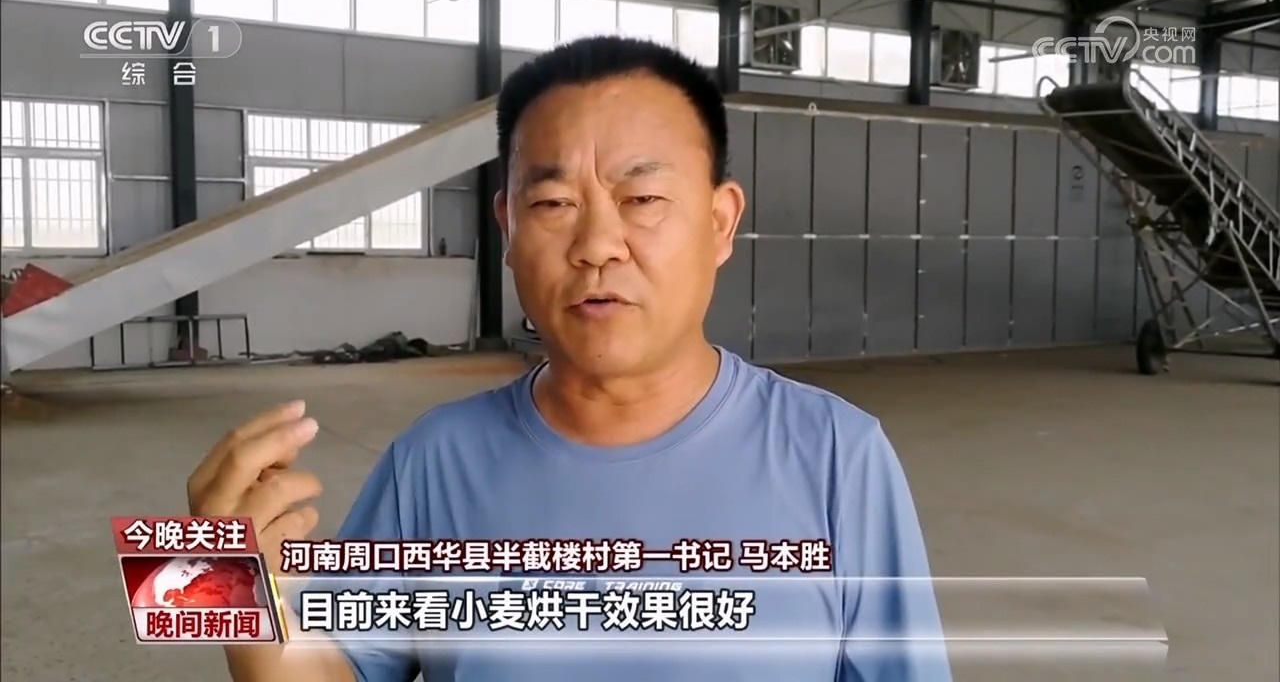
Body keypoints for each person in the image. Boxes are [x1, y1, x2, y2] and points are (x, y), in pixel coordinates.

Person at [187, 35, 951, 682]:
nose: (596, 246)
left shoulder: (838, 457)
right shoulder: (434, 461)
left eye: (642, 200)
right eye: (553, 204)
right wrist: (224, 588)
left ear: (720, 223)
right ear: (509, 228)